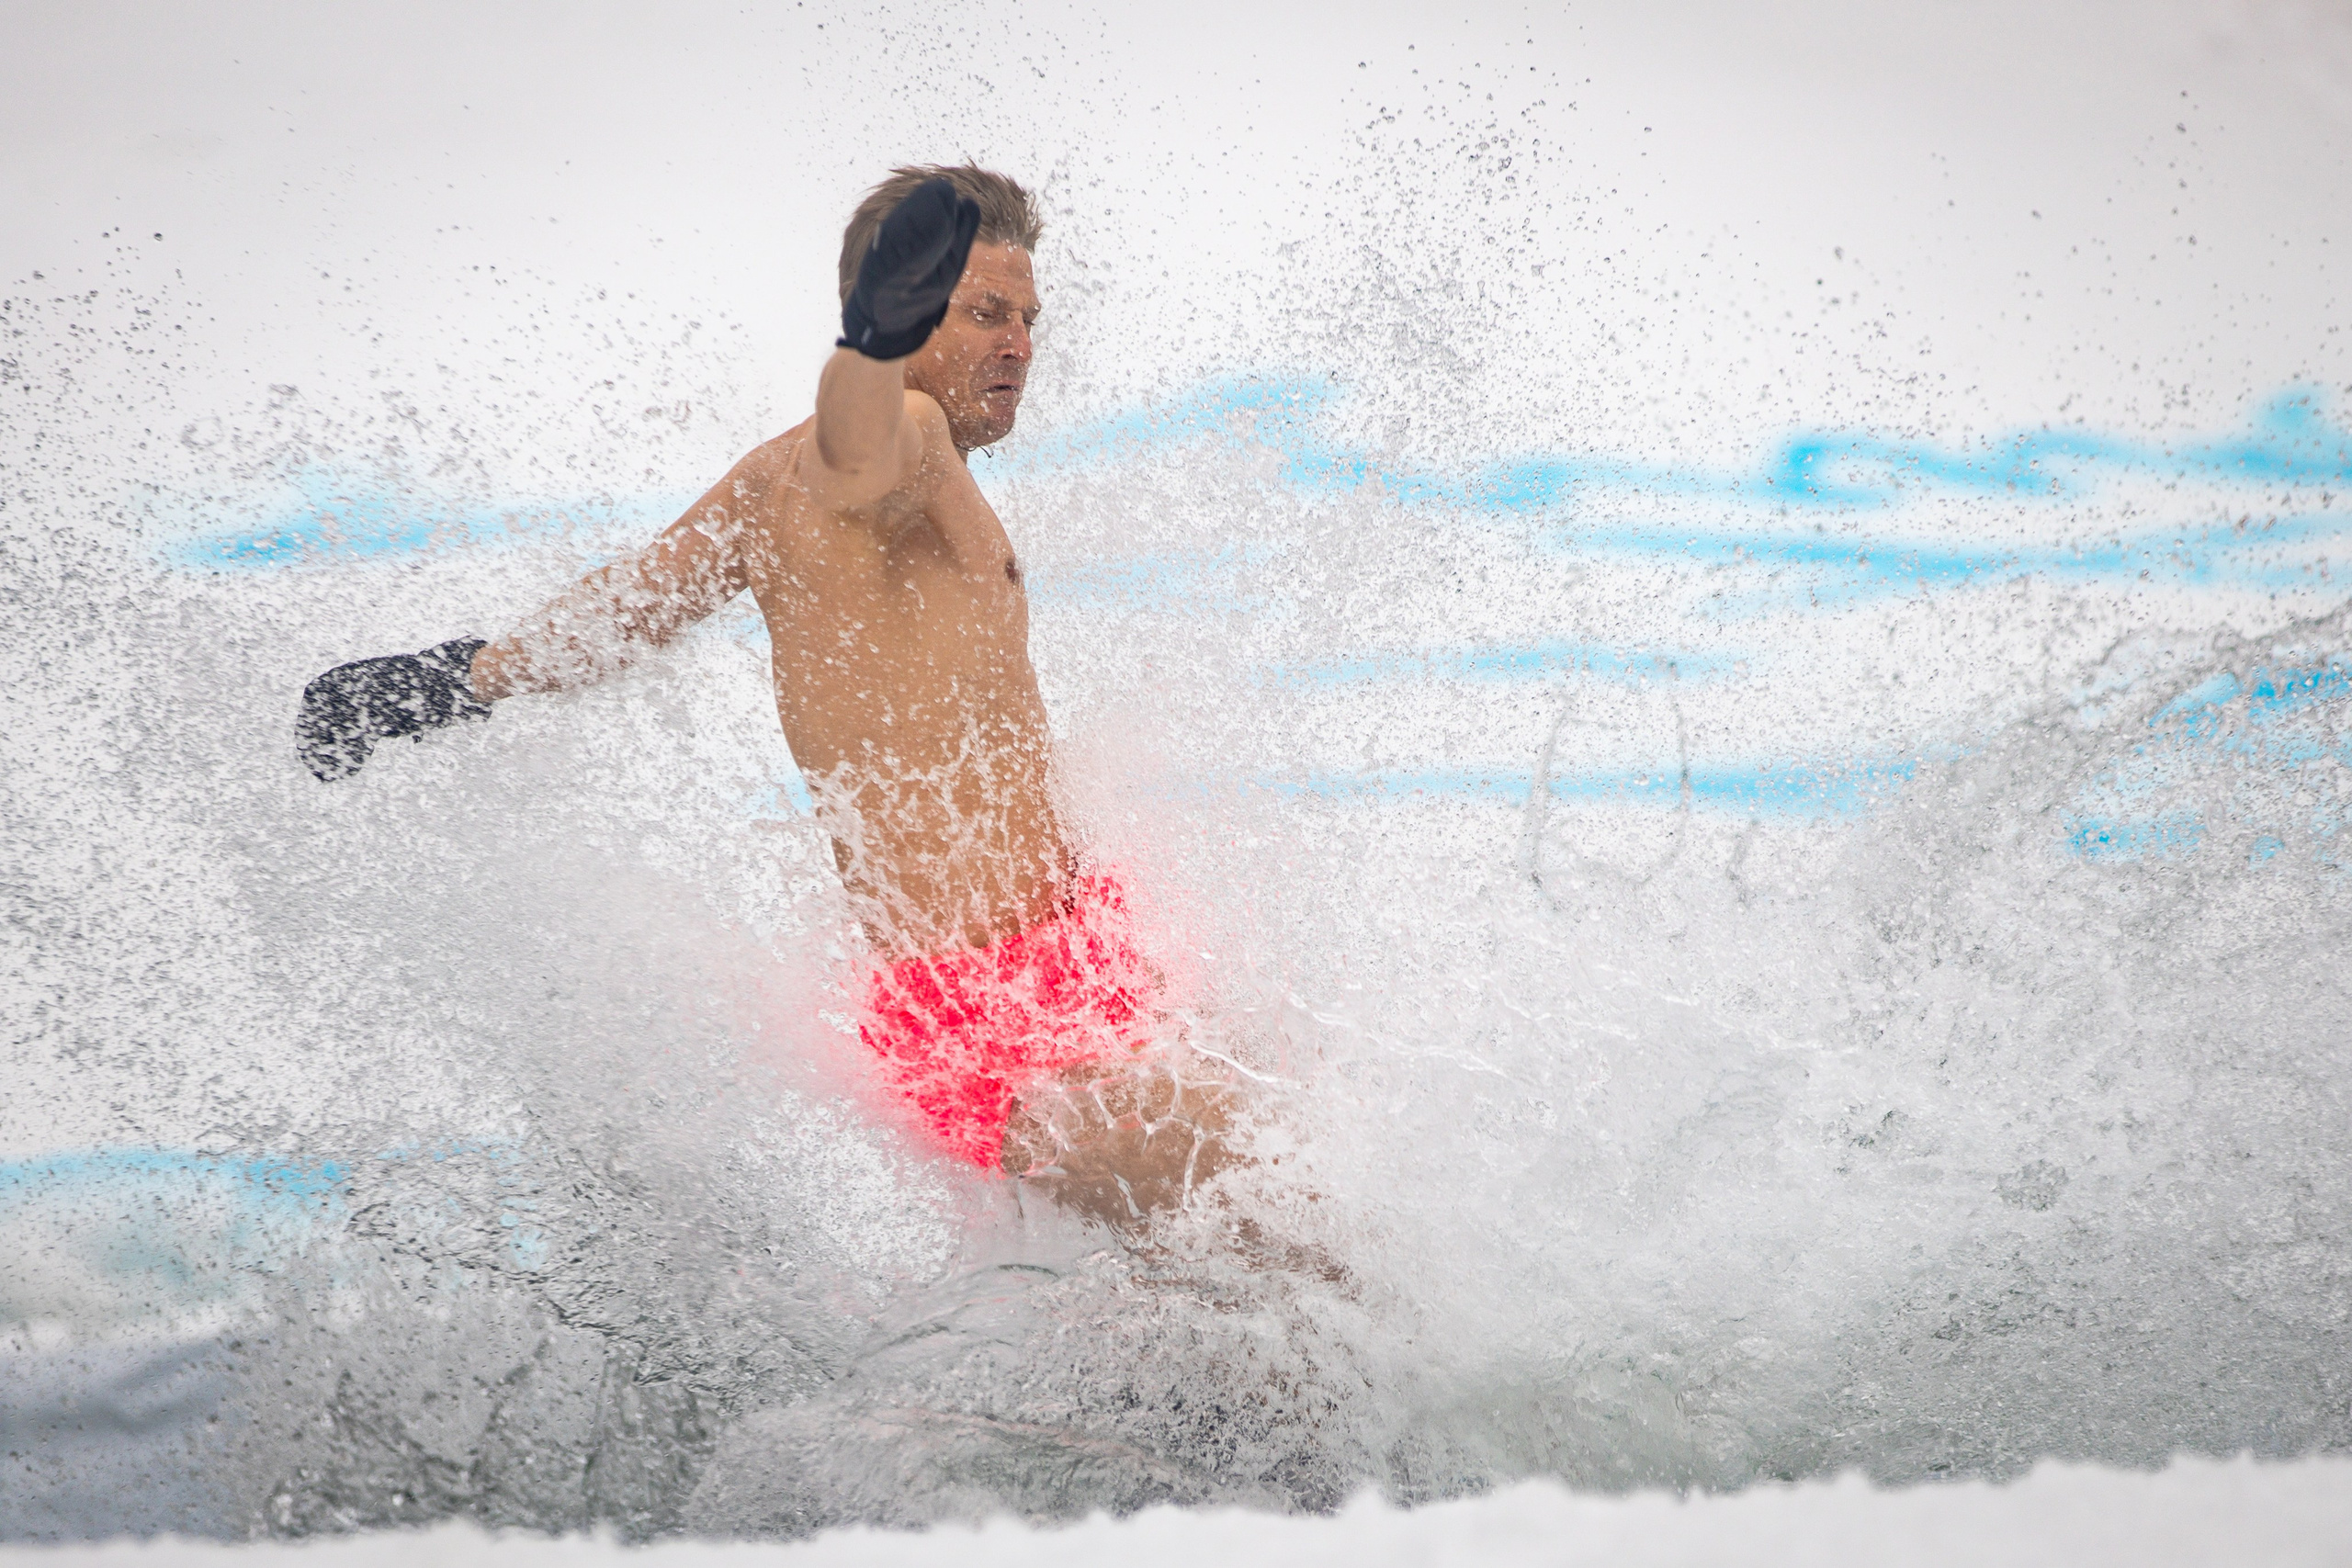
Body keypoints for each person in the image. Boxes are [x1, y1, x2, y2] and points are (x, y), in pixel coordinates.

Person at [297, 165, 1238, 1231]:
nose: (1018, 344)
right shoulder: (893, 438)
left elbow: (631, 610)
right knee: (1280, 1257)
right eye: (983, 314)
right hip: (1001, 1013)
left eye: (1026, 317)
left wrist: (449, 681)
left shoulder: (767, 480)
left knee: (1239, 1267)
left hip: (1050, 971)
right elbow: (859, 442)